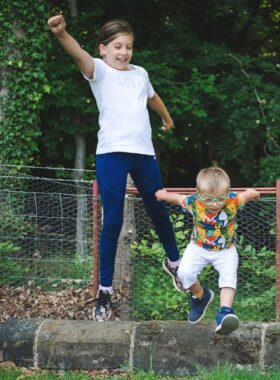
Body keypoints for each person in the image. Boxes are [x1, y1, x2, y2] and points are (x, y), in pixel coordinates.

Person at [47, 14, 185, 322]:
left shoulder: (140, 74)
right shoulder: (99, 71)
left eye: (129, 47)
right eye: (118, 46)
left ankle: (176, 265)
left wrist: (167, 118)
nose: (123, 52)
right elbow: (78, 53)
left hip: (143, 153)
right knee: (112, 221)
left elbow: (152, 96)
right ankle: (104, 293)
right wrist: (61, 34)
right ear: (104, 48)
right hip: (111, 154)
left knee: (159, 208)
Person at [155, 167, 260, 335]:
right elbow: (177, 199)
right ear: (199, 194)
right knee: (183, 273)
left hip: (226, 250)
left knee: (229, 275)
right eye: (209, 199)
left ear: (228, 193)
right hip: (198, 248)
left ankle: (225, 312)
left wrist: (255, 194)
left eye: (220, 199)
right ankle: (200, 296)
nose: (215, 204)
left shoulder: (233, 201)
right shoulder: (194, 202)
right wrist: (162, 195)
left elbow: (247, 194)